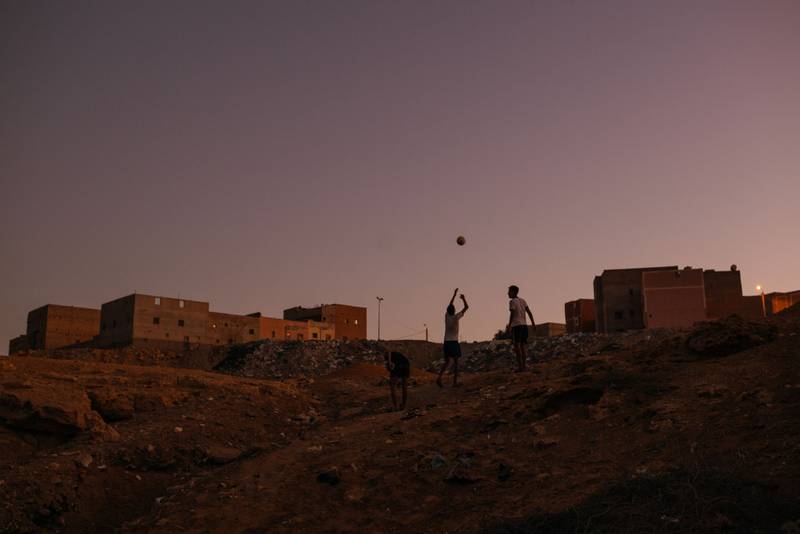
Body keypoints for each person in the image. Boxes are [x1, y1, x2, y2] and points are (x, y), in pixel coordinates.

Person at [437, 287, 468, 387]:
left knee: (446, 362)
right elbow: (466, 307)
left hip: (446, 342)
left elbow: (450, 304)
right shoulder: (456, 317)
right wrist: (463, 299)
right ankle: (454, 382)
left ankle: (439, 377)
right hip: (454, 342)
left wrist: (454, 295)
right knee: (456, 363)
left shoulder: (446, 316)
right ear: (454, 310)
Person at [506, 285, 536, 372]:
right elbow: (529, 313)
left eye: (509, 291)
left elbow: (512, 314)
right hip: (524, 325)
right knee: (522, 347)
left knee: (517, 347)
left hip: (516, 326)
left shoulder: (512, 302)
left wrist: (509, 326)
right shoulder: (523, 301)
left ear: (514, 292)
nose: (508, 293)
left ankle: (520, 367)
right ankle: (524, 366)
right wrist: (533, 324)